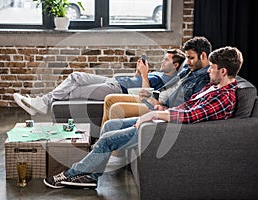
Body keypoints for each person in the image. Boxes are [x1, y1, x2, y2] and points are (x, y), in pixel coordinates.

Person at [43, 46, 243, 189]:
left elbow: (189, 117)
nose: (208, 70)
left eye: (212, 67)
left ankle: (69, 174)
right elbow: (185, 106)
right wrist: (157, 109)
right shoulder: (213, 86)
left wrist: (156, 114)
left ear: (223, 71)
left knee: (106, 139)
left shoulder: (224, 97)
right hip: (164, 121)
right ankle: (93, 176)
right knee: (112, 125)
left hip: (169, 131)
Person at [13, 50, 185, 116]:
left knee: (75, 91)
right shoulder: (161, 73)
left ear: (175, 65)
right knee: (75, 77)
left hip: (117, 90)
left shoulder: (167, 80)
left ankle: (41, 103)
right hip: (114, 81)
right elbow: (137, 80)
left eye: (166, 60)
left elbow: (144, 94)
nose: (162, 62)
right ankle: (42, 103)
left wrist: (145, 74)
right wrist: (138, 71)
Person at [101, 36, 212, 125]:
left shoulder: (204, 79)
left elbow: (189, 106)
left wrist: (163, 106)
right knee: (109, 99)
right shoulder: (189, 68)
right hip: (154, 98)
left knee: (116, 108)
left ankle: (115, 152)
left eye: (191, 58)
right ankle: (101, 141)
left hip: (162, 107)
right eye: (187, 58)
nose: (187, 62)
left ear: (203, 56)